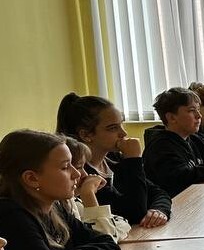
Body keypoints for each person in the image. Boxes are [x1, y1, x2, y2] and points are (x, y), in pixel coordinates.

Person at [0, 130, 131, 250]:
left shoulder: (54, 207)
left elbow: (107, 243)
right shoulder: (10, 217)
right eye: (65, 167)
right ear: (31, 178)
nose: (78, 174)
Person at [55, 93, 172, 227]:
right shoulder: (81, 174)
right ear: (86, 135)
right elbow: (134, 213)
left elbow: (158, 193)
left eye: (121, 125)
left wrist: (158, 210)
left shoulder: (114, 159)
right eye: (113, 128)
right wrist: (133, 160)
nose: (123, 133)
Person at [61, 138, 130, 243]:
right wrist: (88, 194)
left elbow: (122, 223)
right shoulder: (62, 206)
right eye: (78, 167)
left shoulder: (74, 202)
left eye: (82, 167)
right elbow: (105, 241)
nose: (84, 174)